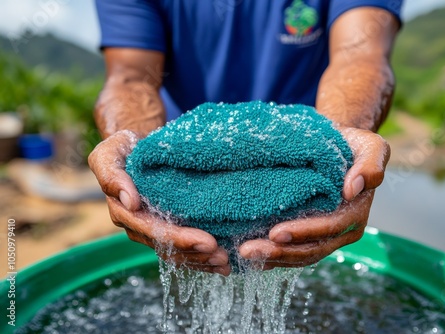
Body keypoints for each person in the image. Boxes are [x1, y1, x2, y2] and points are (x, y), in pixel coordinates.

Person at [89, 0, 402, 276]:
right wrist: (131, 142)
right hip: (178, 177)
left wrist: (340, 146)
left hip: (308, 182)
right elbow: (131, 76)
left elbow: (360, 55)